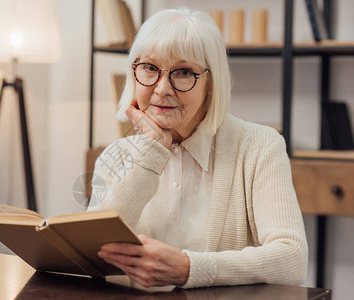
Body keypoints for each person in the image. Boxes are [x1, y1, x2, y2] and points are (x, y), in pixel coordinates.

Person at [87, 8, 308, 289]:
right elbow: (92, 257)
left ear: (211, 82)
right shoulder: (115, 156)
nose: (162, 88)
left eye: (183, 72)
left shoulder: (259, 146)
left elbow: (292, 259)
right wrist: (150, 153)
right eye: (150, 68)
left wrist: (190, 269)